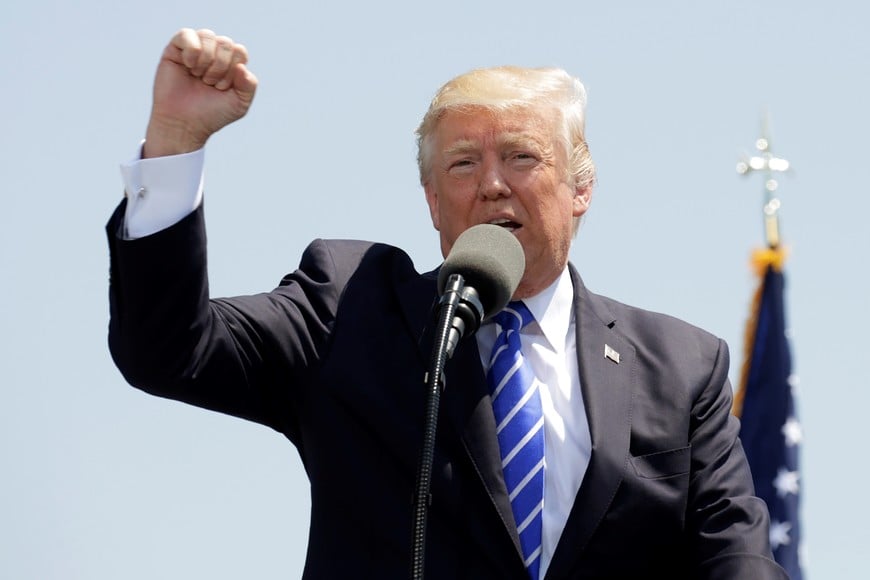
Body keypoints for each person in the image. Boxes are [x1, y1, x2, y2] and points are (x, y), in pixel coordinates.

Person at [106, 28, 789, 579]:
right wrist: (174, 144)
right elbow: (167, 349)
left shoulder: (680, 367)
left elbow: (735, 556)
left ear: (580, 187)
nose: (492, 185)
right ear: (432, 201)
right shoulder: (349, 308)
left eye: (521, 157)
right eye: (462, 164)